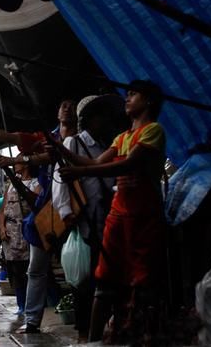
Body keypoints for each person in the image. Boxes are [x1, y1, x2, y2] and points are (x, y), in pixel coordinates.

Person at [58, 80, 166, 344]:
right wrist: (60, 148)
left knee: (141, 280)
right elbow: (94, 162)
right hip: (117, 216)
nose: (127, 99)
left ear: (149, 101)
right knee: (104, 278)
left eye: (133, 94)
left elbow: (127, 165)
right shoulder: (122, 137)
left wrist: (79, 172)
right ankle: (96, 340)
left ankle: (141, 335)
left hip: (143, 216)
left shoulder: (153, 131)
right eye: (127, 94)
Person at [0, 99, 78, 333]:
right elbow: (8, 137)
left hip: (77, 206)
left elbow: (52, 157)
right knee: (36, 268)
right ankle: (32, 319)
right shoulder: (46, 137)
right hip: (50, 210)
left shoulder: (80, 141)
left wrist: (18, 160)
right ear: (56, 112)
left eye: (71, 104)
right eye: (62, 104)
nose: (65, 107)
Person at [51, 95, 121, 341]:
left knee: (105, 278)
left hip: (108, 220)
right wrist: (66, 213)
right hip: (85, 220)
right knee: (85, 283)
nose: (107, 121)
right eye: (101, 116)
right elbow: (60, 181)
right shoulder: (75, 143)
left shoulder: (109, 145)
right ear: (90, 119)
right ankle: (85, 334)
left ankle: (102, 330)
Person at [0, 156, 41, 315]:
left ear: (25, 165)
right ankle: (20, 304)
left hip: (26, 231)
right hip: (10, 233)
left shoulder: (36, 184)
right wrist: (2, 228)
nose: (14, 165)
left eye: (16, 162)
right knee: (15, 270)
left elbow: (36, 204)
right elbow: (2, 210)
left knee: (28, 269)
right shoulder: (10, 185)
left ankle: (32, 304)